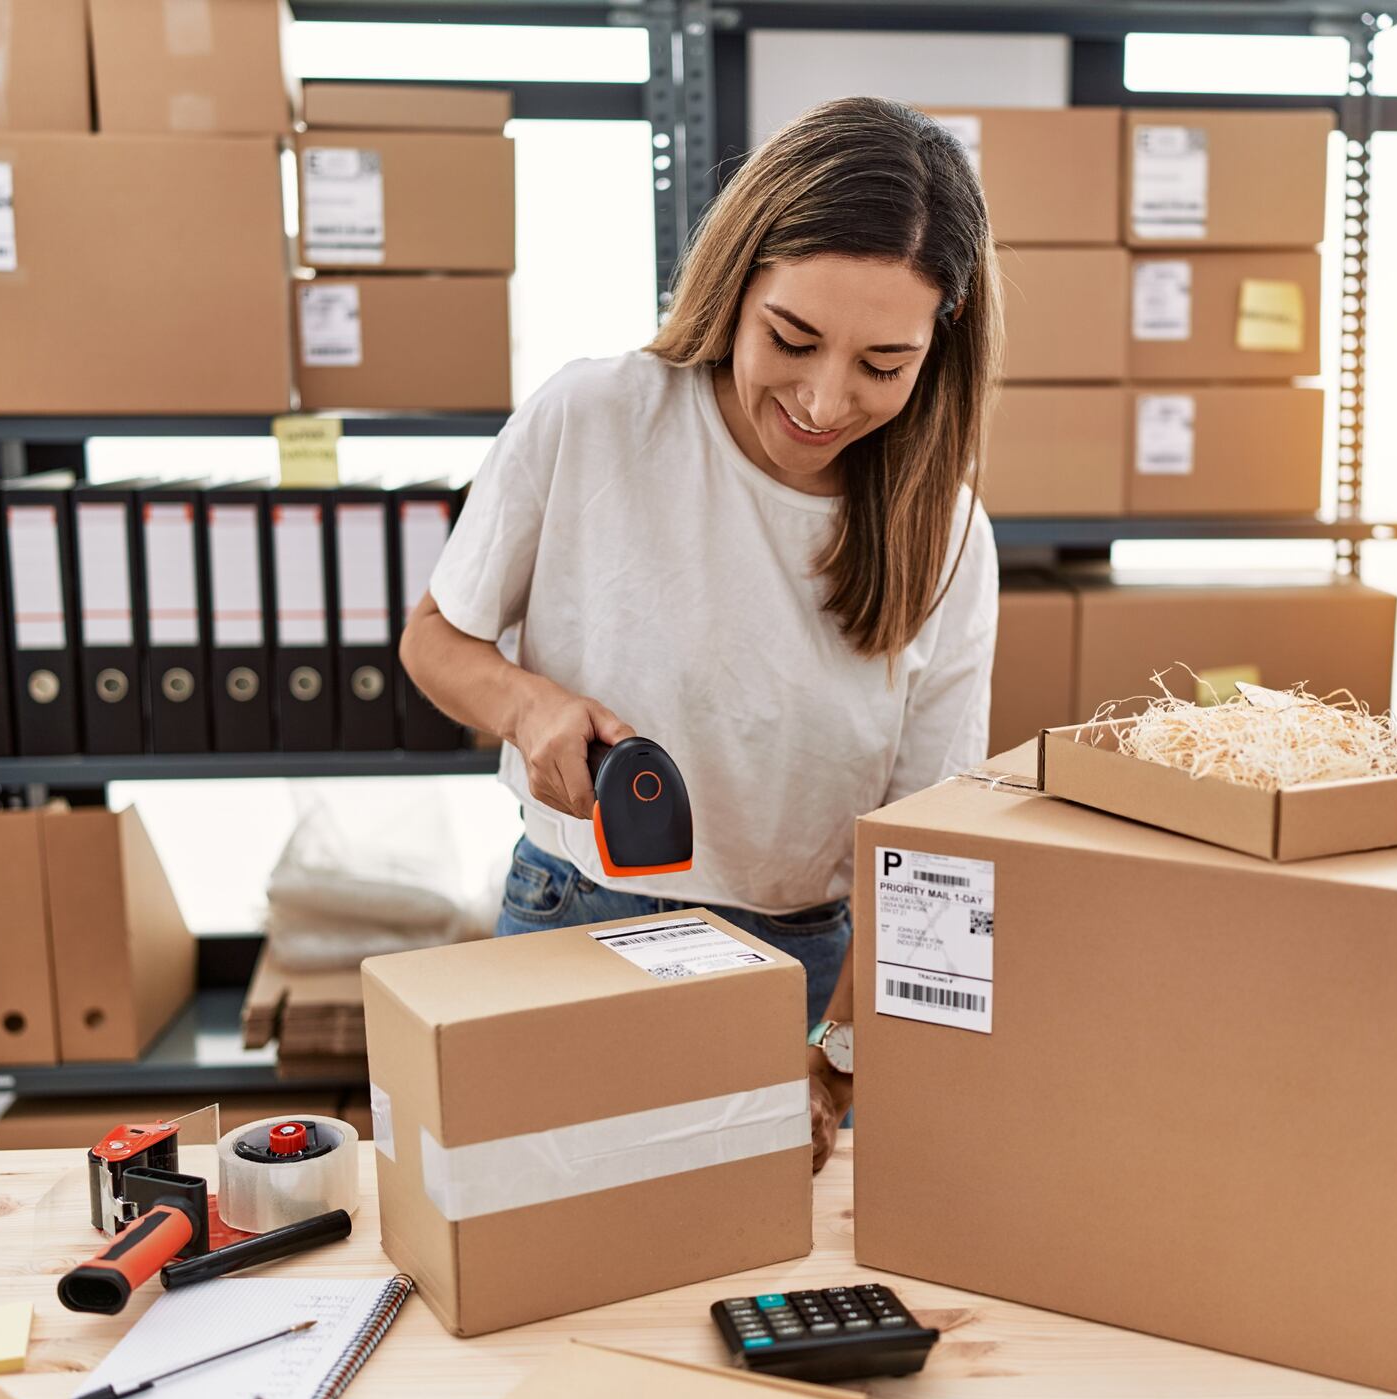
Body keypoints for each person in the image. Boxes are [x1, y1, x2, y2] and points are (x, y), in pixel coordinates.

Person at [400, 96, 1000, 1173]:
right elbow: (436, 638)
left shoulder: (946, 531)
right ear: (737, 283)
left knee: (752, 1292)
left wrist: (840, 1058)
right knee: (540, 1263)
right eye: (793, 338)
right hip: (578, 918)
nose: (823, 400)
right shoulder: (594, 418)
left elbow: (930, 848)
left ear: (938, 347)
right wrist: (529, 704)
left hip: (803, 967)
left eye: (882, 364)